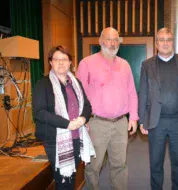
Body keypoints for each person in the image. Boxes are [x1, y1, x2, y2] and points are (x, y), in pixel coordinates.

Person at [76, 27, 138, 190]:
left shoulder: (125, 65)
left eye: (115, 39)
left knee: (120, 165)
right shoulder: (86, 63)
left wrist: (133, 117)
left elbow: (132, 92)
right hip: (96, 124)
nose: (112, 43)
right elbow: (78, 95)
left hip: (120, 124)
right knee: (93, 167)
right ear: (100, 41)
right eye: (108, 39)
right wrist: (83, 119)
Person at [139, 27, 178, 190]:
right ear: (156, 43)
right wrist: (142, 120)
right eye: (162, 40)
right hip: (156, 122)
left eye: (168, 39)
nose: (165, 43)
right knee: (155, 163)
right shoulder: (147, 65)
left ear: (173, 42)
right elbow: (142, 93)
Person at [32, 45, 95, 190]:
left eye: (64, 59)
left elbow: (87, 106)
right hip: (54, 139)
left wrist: (82, 119)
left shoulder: (76, 83)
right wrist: (67, 124)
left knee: (72, 176)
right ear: (50, 62)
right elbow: (40, 113)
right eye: (56, 59)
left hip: (76, 136)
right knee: (62, 179)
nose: (61, 63)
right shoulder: (43, 84)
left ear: (70, 62)